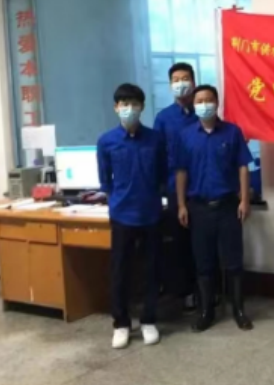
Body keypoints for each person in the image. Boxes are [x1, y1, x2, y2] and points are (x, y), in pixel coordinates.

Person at [174, 84, 254, 332]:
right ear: (193, 104)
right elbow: (181, 172)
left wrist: (245, 200)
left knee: (234, 262)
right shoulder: (186, 135)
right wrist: (181, 204)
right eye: (199, 101)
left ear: (217, 103)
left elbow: (243, 167)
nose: (204, 104)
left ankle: (239, 310)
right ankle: (206, 312)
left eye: (209, 100)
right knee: (204, 263)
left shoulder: (232, 132)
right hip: (198, 208)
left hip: (228, 206)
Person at [97, 83, 166, 349]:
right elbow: (106, 180)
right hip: (122, 215)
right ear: (116, 108)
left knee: (151, 270)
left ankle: (148, 320)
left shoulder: (155, 139)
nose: (129, 109)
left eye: (134, 104)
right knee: (120, 271)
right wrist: (117, 202)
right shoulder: (106, 141)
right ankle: (121, 324)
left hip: (150, 214)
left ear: (142, 107)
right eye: (124, 104)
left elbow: (162, 174)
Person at [153, 62, 199, 311]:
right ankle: (186, 292)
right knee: (180, 243)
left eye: (185, 78)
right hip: (173, 189)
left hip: (202, 187)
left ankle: (205, 291)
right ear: (170, 85)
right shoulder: (163, 118)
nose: (181, 83)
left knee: (202, 243)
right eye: (176, 79)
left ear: (193, 81)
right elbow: (157, 155)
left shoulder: (203, 112)